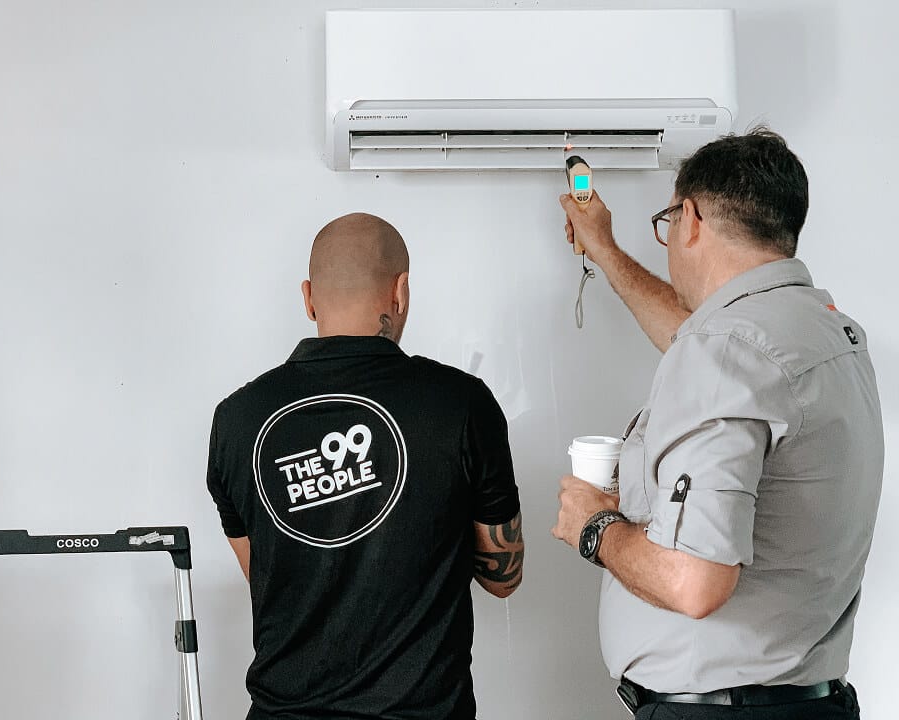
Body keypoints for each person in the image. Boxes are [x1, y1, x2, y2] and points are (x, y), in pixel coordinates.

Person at [551, 129, 883, 719]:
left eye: (667, 222)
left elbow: (695, 584)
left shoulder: (725, 350)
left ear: (693, 218)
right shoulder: (825, 331)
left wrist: (594, 527)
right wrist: (604, 248)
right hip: (806, 703)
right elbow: (695, 338)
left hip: (722, 713)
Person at [207, 212, 524, 720]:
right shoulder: (462, 404)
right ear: (401, 292)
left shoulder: (235, 421)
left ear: (308, 298)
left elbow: (266, 573)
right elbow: (502, 577)